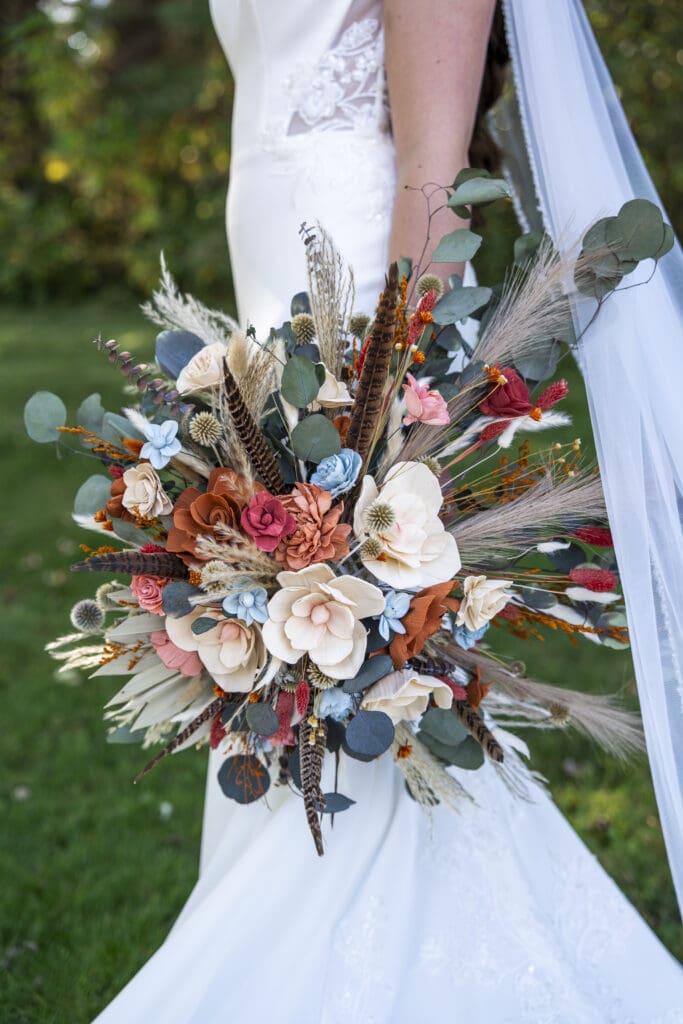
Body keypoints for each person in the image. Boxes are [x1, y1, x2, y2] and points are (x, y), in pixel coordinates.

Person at [93, 1, 683, 1020]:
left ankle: (335, 915)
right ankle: (288, 899)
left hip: (356, 261)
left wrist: (407, 337)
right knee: (262, 591)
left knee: (347, 595)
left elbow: (431, 181)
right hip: (273, 248)